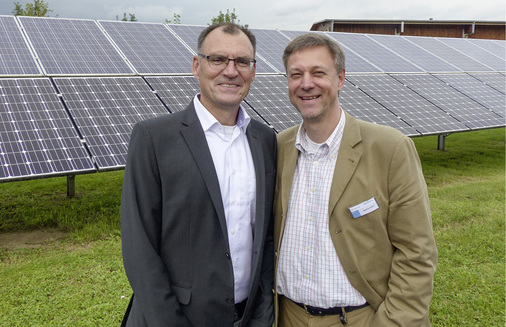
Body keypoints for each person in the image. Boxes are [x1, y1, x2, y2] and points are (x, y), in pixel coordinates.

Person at [274, 33, 437, 326]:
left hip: (362, 317)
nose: (306, 83)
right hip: (289, 317)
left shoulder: (389, 148)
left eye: (318, 72)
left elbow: (417, 253)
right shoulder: (276, 149)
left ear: (340, 79)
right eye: (296, 74)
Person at [120, 22, 276, 327]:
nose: (231, 71)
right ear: (197, 66)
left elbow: (266, 236)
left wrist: (262, 313)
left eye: (242, 61)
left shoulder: (265, 139)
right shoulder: (154, 137)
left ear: (253, 71)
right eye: (217, 59)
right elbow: (139, 247)